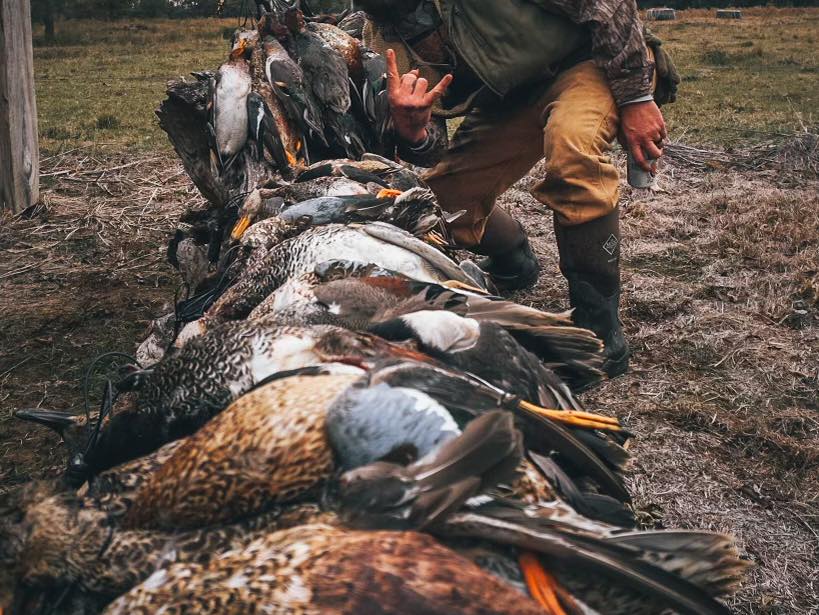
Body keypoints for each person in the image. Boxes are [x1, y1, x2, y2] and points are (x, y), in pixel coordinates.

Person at [357, 0, 679, 379]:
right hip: (512, 96)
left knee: (572, 150)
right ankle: (514, 262)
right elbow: (433, 147)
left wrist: (636, 99)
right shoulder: (382, 36)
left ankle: (598, 337)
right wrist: (415, 131)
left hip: (591, 61)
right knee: (434, 206)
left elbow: (608, 7)